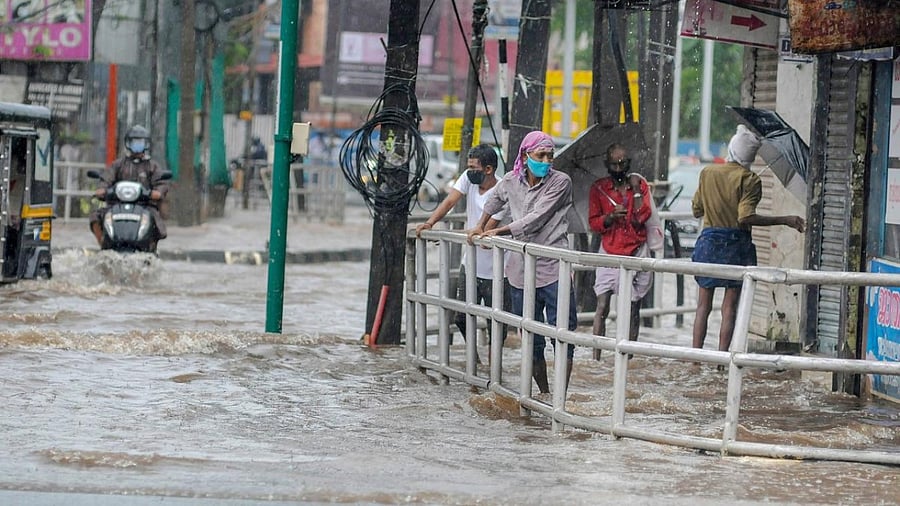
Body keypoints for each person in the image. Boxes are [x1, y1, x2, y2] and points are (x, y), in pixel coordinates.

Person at [467, 130, 577, 394]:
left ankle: (561, 397)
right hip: (520, 270)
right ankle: (544, 394)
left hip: (553, 267)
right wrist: (479, 227)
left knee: (564, 336)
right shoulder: (510, 181)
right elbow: (493, 201)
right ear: (526, 156)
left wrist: (499, 231)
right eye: (541, 155)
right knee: (530, 337)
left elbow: (537, 218)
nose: (547, 161)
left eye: (550, 156)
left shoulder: (560, 182)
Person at [691, 124, 805, 354]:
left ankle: (694, 359)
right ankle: (723, 359)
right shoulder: (750, 179)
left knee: (703, 306)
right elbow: (745, 217)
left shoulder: (708, 172)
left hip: (709, 243)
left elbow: (697, 210)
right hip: (736, 245)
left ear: (732, 149)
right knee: (729, 307)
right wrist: (785, 219)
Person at [416, 144, 507, 354]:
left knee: (497, 322)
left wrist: (475, 233)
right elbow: (449, 201)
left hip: (498, 269)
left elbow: (486, 228)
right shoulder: (468, 178)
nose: (470, 171)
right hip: (471, 262)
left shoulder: (502, 190)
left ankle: (495, 367)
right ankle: (473, 360)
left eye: (474, 167)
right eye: (469, 166)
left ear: (489, 169)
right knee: (462, 317)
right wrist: (430, 223)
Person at [588, 143, 654, 359]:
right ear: (607, 165)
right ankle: (596, 356)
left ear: (629, 164)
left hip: (637, 250)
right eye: (614, 164)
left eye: (622, 163)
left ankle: (629, 357)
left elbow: (644, 215)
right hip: (610, 250)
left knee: (634, 307)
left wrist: (635, 191)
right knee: (603, 305)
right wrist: (610, 217)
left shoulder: (640, 185)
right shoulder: (599, 189)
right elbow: (594, 223)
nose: (618, 168)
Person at [90, 125, 170, 249]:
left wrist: (156, 193)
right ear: (128, 143)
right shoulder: (118, 165)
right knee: (96, 216)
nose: (137, 145)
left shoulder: (152, 166)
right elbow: (106, 179)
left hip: (145, 206)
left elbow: (161, 184)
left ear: (146, 144)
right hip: (117, 205)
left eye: (141, 142)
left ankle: (150, 247)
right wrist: (103, 189)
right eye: (134, 141)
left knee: (154, 220)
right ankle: (104, 245)